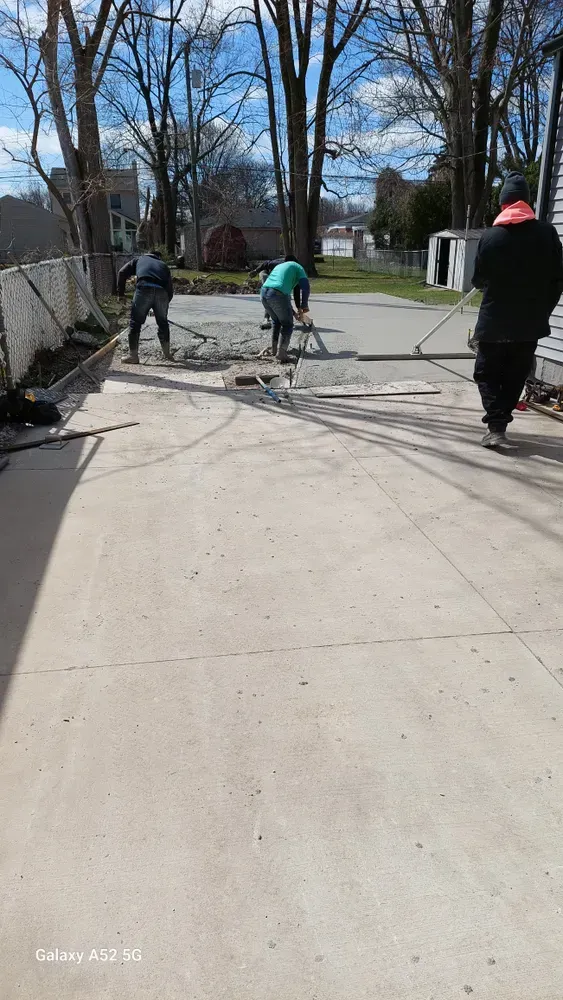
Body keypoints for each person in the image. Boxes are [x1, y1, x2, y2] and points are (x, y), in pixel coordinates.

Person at [472, 171, 563, 449]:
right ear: (526, 203)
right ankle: (499, 422)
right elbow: (558, 279)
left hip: (494, 323)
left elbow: (477, 279)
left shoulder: (491, 237)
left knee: (486, 373)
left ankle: (496, 424)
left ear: (503, 205)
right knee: (515, 374)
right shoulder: (547, 233)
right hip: (529, 323)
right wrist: (542, 312)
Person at [117, 251, 175, 364]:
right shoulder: (163, 265)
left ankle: (133, 356)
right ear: (159, 257)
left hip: (144, 288)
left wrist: (121, 294)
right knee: (163, 323)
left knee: (135, 322)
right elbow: (170, 290)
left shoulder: (139, 260)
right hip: (161, 291)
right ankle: (167, 354)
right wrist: (162, 307)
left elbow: (122, 272)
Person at [261, 259, 311, 362]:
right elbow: (306, 288)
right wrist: (304, 305)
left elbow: (283, 302)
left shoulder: (282, 269)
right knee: (287, 324)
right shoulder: (299, 268)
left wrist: (293, 313)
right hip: (277, 294)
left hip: (264, 293)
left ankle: (274, 350)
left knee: (276, 321)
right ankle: (282, 354)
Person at [249, 254, 301, 330]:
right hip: (265, 272)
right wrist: (256, 271)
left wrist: (299, 308)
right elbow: (265, 264)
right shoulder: (278, 264)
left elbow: (296, 292)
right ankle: (266, 319)